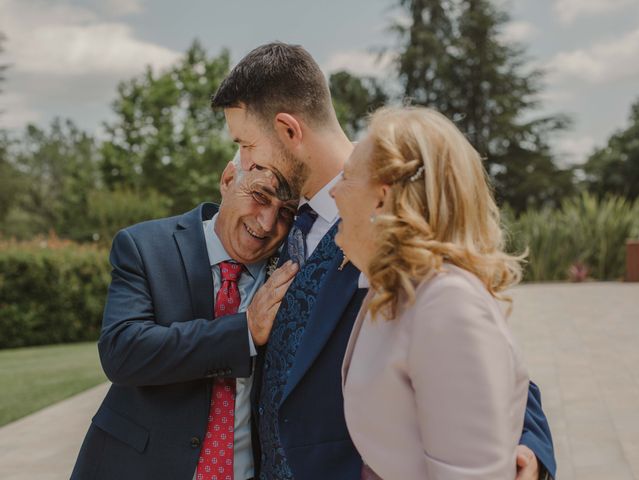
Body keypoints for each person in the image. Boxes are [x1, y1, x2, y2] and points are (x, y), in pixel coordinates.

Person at [211, 42, 556, 480]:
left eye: (247, 143)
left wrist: (528, 452)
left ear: (289, 131)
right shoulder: (273, 220)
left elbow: (483, 361)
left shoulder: (393, 224)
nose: (243, 161)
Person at [71, 157, 299, 480]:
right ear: (228, 178)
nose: (265, 223)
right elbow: (121, 351)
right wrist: (244, 331)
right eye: (260, 196)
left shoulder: (290, 274)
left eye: (286, 213)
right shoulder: (144, 246)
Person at [333, 106, 531, 478]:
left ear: (382, 198)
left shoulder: (448, 304)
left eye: (345, 176)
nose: (333, 191)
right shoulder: (398, 293)